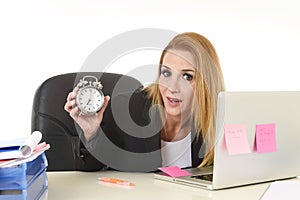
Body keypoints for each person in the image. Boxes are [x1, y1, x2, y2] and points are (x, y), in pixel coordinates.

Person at [64, 32, 226, 172]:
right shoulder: (129, 107)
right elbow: (92, 167)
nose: (172, 87)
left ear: (207, 83)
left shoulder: (220, 119)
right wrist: (91, 133)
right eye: (166, 73)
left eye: (187, 76)